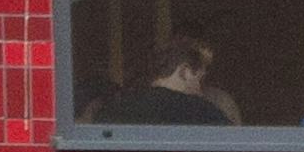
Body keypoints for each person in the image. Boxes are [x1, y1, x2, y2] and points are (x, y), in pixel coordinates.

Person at [87, 32, 238, 127]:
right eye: (200, 78)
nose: (201, 88)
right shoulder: (202, 112)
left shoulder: (115, 107)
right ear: (184, 71)